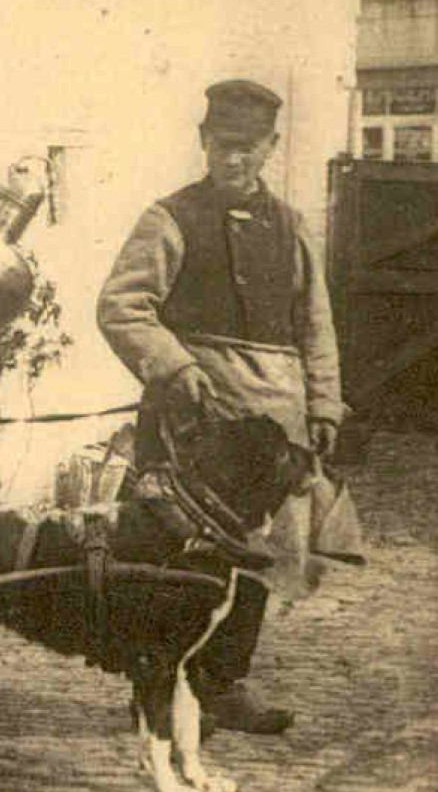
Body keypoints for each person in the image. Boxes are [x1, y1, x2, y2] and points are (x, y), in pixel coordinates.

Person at [96, 79, 346, 734]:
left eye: (245, 147)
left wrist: (323, 404)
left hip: (274, 419)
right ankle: (159, 685)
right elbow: (121, 307)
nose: (231, 158)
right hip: (191, 419)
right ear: (202, 142)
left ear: (268, 147)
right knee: (178, 553)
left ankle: (221, 683)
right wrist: (174, 364)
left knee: (258, 553)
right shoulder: (169, 219)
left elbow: (314, 324)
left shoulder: (289, 227)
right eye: (219, 145)